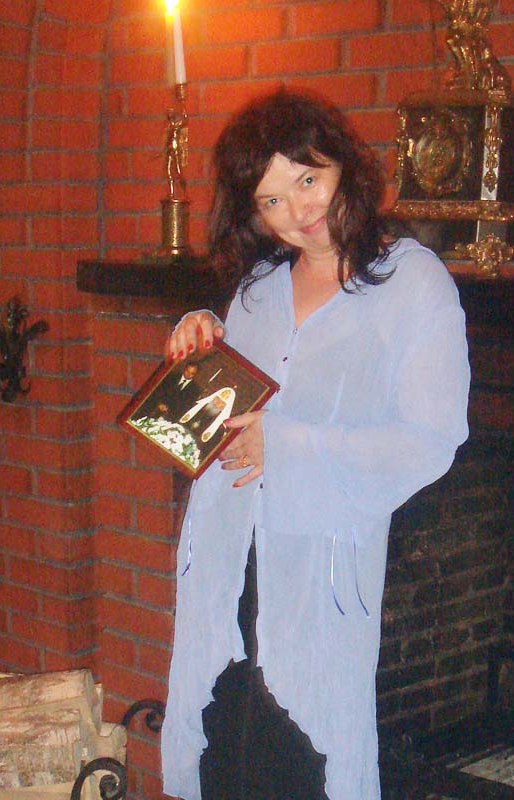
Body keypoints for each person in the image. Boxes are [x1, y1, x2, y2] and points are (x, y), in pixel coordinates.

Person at [160, 88, 470, 800]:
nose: (297, 211)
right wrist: (201, 340)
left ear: (343, 166)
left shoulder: (412, 282)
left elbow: (431, 438)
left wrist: (290, 446)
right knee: (222, 751)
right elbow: (225, 415)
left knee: (303, 764)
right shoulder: (260, 288)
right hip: (227, 563)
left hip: (317, 577)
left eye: (307, 179)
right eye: (271, 200)